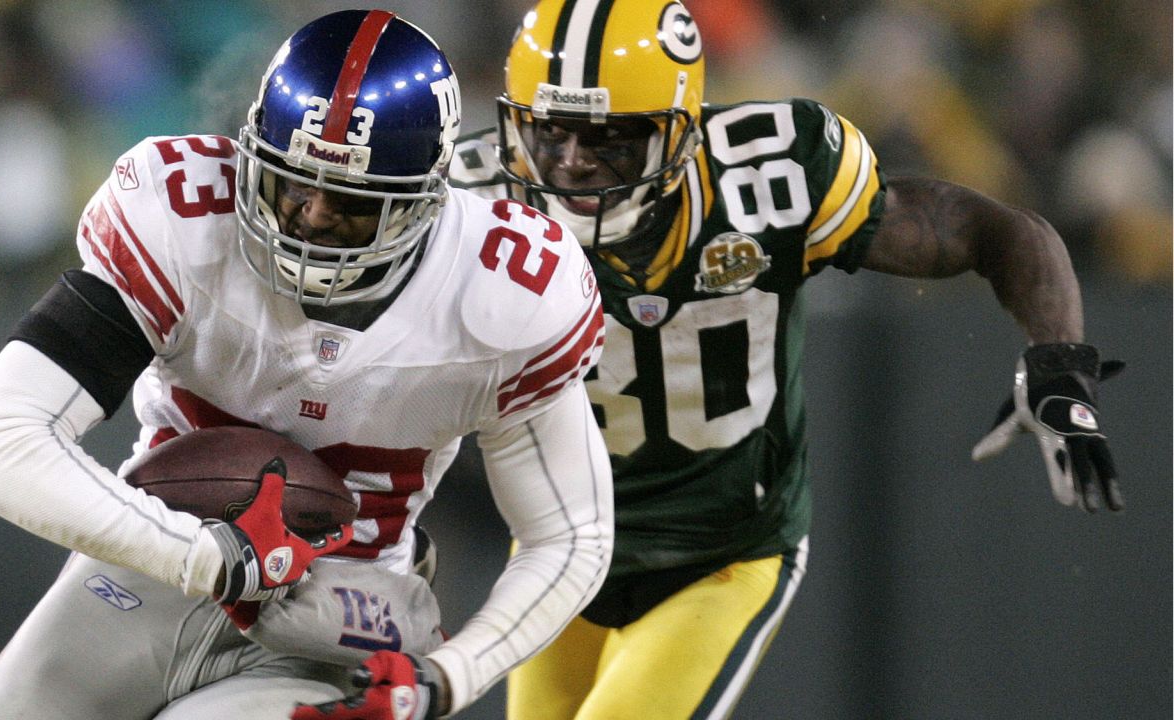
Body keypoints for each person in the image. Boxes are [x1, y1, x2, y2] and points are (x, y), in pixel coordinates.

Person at [447, 0, 1125, 718]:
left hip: (718, 553)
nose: (573, 164)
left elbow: (995, 231)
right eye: (549, 132)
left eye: (609, 138)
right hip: (562, 544)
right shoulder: (471, 201)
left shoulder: (770, 179)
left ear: (680, 132)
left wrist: (1057, 362)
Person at [0, 10, 613, 720]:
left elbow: (572, 535)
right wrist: (206, 556)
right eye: (292, 184)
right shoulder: (178, 217)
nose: (314, 217)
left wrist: (450, 675)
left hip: (341, 617)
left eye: (353, 203)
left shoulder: (505, 292)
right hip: (148, 566)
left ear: (427, 200)